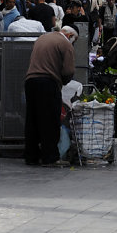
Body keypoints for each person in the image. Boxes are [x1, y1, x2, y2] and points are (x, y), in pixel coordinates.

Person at [23, 26, 77, 166]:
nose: (73, 43)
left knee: (32, 120)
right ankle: (50, 157)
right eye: (74, 40)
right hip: (48, 83)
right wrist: (63, 82)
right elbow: (68, 70)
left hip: (30, 81)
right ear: (70, 35)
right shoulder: (65, 43)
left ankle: (31, 156)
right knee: (50, 121)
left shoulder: (43, 37)